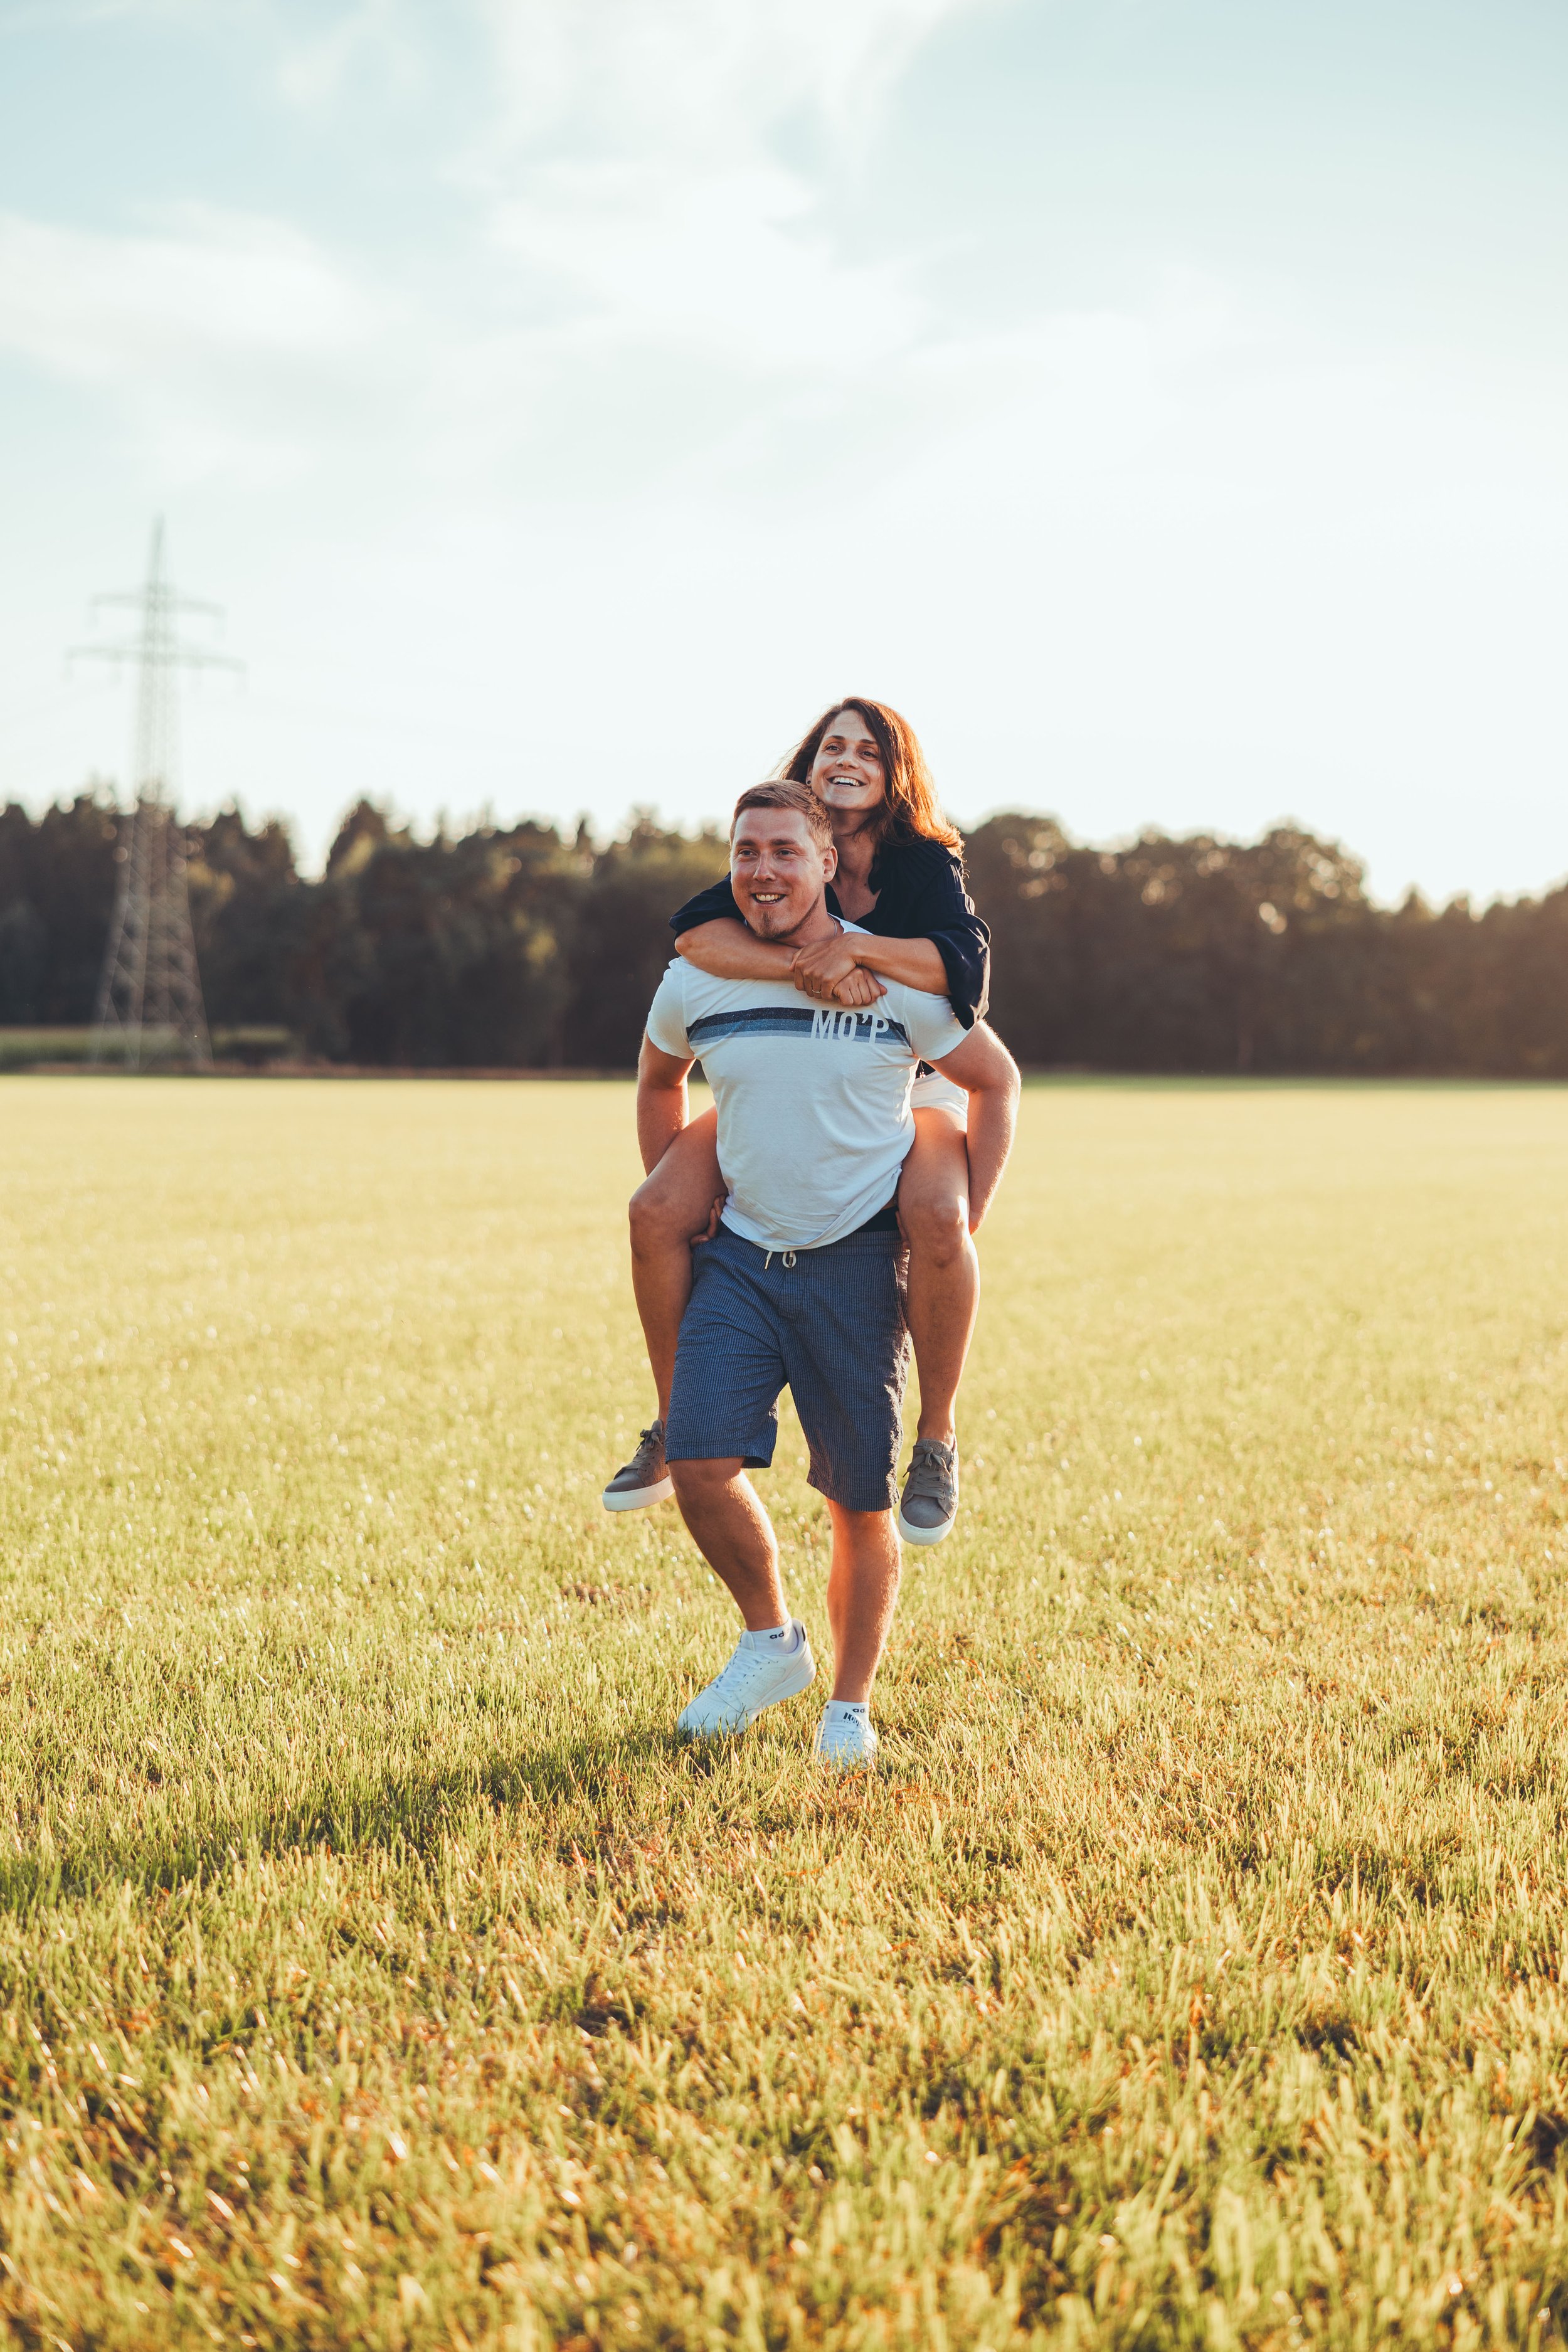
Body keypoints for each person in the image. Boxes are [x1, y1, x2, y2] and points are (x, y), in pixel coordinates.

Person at [637, 780, 1019, 1767]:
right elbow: (657, 1075)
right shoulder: (698, 980)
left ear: (825, 866)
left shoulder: (889, 981)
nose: (762, 868)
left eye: (784, 851)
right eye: (746, 851)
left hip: (854, 1263)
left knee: (860, 1503)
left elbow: (992, 1079)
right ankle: (771, 1640)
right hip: (743, 1263)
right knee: (699, 1465)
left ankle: (849, 1703)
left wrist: (962, 1216)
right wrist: (682, 1178)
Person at [605, 697, 991, 1547]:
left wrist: (857, 950)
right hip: (798, 1065)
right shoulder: (777, 841)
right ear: (809, 764)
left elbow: (965, 970)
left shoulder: (921, 863)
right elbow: (697, 941)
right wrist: (803, 966)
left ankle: (937, 1437)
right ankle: (675, 1419)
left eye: (866, 749)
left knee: (937, 1217)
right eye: (831, 746)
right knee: (656, 1210)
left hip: (911, 1075)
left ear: (894, 774)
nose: (846, 758)